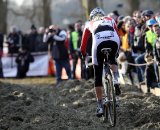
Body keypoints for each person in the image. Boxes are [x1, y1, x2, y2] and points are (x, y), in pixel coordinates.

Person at [80, 7, 121, 117]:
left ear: (92, 17)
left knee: (97, 76)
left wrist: (84, 55)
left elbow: (83, 45)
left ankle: (100, 106)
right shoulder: (110, 19)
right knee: (113, 59)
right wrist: (116, 52)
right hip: (114, 41)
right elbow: (118, 34)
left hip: (98, 43)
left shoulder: (89, 23)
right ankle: (116, 80)